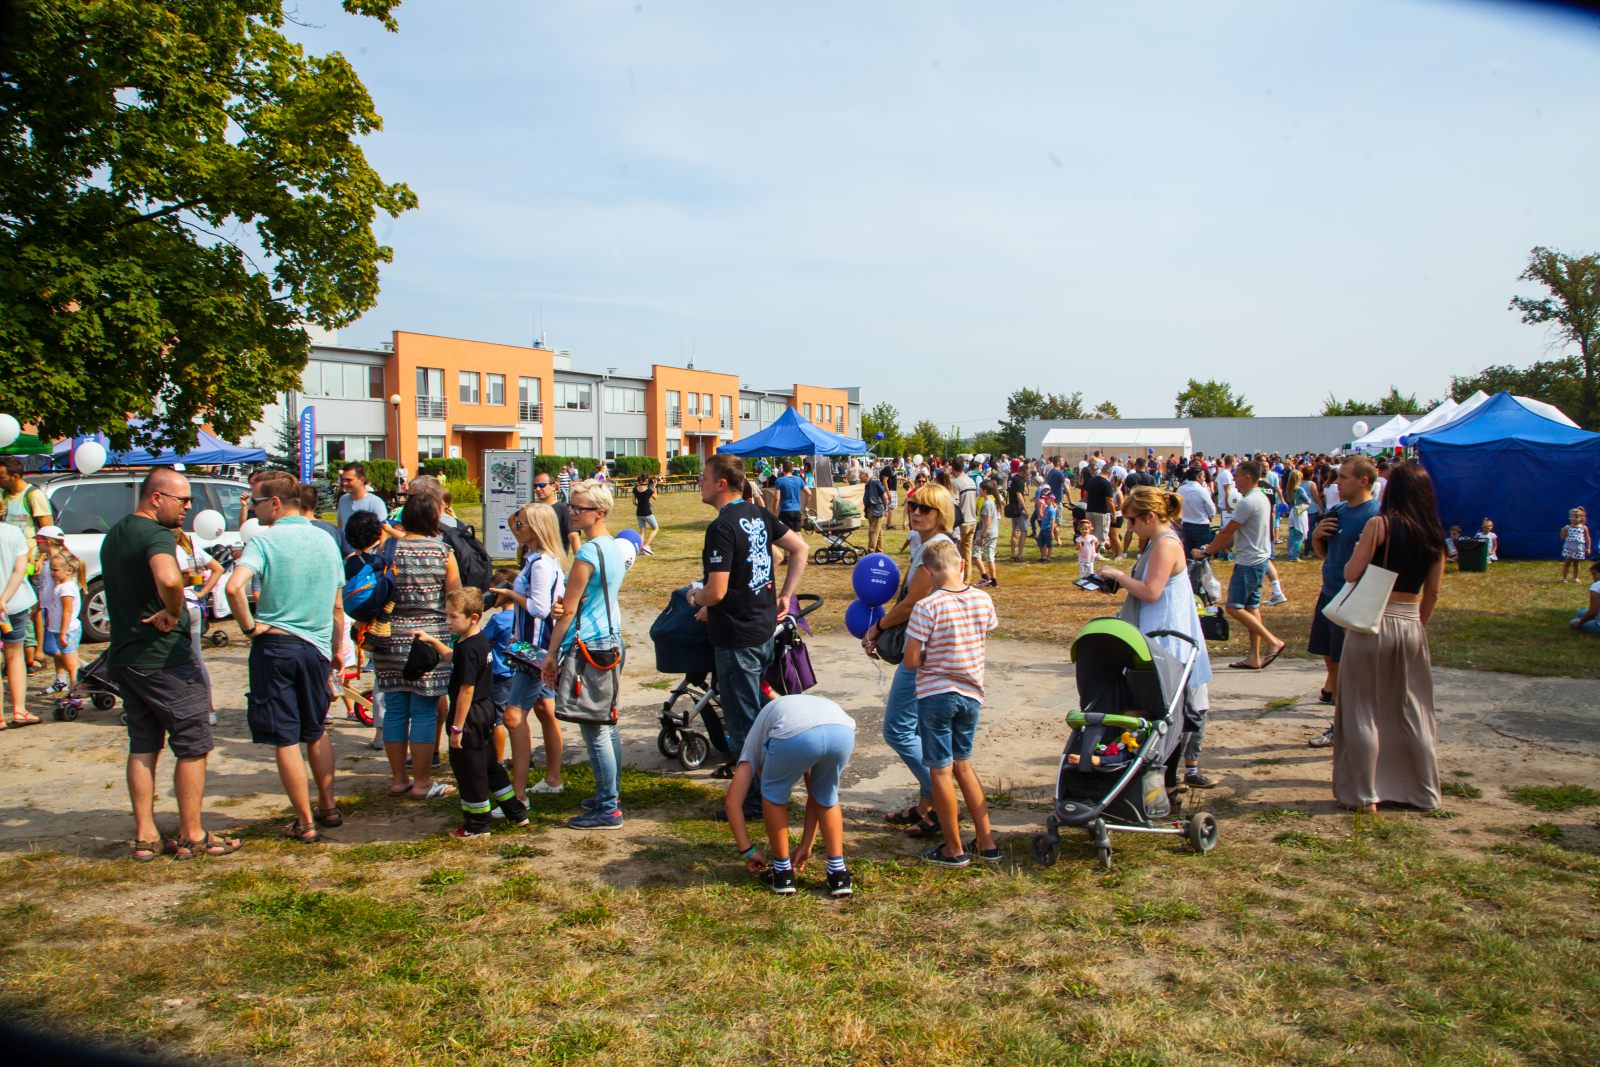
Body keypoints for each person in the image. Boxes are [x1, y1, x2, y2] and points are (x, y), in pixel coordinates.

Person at [101, 469, 239, 860]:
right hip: (163, 658)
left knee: (143, 745)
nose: (189, 508)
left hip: (127, 656)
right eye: (183, 500)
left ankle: (145, 835)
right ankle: (193, 832)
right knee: (193, 744)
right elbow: (170, 579)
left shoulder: (117, 533)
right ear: (157, 498)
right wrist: (172, 609)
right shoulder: (155, 534)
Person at [226, 472, 347, 844]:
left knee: (285, 738)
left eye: (257, 502)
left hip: (276, 646)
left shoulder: (265, 540)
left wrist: (248, 627)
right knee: (315, 730)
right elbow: (337, 607)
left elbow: (234, 587)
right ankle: (328, 806)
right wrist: (336, 651)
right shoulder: (326, 540)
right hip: (316, 647)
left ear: (275, 503)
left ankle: (304, 820)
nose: (254, 509)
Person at [689, 454, 809, 787]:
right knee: (759, 713)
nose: (700, 482)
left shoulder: (722, 527)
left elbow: (716, 591)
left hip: (737, 637)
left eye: (704, 477)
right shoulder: (758, 514)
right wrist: (785, 595)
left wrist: (694, 597)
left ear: (721, 484)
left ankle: (755, 799)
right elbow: (800, 549)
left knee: (744, 725)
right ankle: (769, 781)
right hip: (762, 629)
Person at [1333, 460, 1446, 813]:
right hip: (1411, 622)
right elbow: (1434, 593)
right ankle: (1422, 791)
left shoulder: (1379, 525)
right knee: (1412, 709)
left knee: (1362, 708)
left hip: (1373, 620)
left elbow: (1351, 573)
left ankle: (1365, 794)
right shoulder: (1434, 535)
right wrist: (1418, 624)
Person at [1096, 487, 1217, 788]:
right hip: (1157, 633)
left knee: (1168, 712)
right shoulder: (1155, 542)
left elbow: (1151, 592)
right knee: (1157, 709)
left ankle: (1168, 781)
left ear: (1150, 517)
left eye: (1133, 521)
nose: (1131, 528)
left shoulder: (1165, 545)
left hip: (1169, 638)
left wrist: (1119, 576)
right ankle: (1156, 777)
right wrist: (1116, 583)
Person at [862, 482, 959, 838]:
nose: (915, 512)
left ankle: (941, 797)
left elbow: (914, 601)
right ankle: (926, 807)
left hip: (922, 652)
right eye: (912, 506)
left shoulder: (935, 548)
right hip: (933, 648)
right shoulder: (933, 544)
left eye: (924, 508)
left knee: (898, 729)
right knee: (921, 729)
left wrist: (878, 628)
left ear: (940, 513)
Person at [903, 537, 1000, 867]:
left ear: (928, 573)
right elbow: (983, 635)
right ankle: (987, 841)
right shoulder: (983, 600)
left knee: (941, 772)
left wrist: (930, 655)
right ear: (961, 564)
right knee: (965, 765)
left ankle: (953, 849)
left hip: (935, 697)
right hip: (971, 695)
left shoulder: (926, 607)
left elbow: (911, 660)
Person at [541, 480, 629, 830]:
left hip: (590, 645)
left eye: (578, 508)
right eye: (571, 505)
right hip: (611, 640)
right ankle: (611, 794)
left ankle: (609, 808)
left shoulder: (588, 554)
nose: (571, 512)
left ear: (600, 513)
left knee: (595, 730)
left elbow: (568, 610)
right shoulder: (615, 547)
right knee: (607, 724)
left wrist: (550, 654)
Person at [415, 587, 529, 837]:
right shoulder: (476, 641)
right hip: (485, 711)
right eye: (446, 615)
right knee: (489, 764)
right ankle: (515, 811)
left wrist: (456, 728)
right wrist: (432, 641)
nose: (447, 621)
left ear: (474, 617)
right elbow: (453, 658)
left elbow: (466, 690)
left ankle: (477, 825)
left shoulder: (468, 649)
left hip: (469, 716)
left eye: (453, 616)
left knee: (469, 770)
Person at [372, 490, 460, 801]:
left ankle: (398, 778)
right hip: (429, 639)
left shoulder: (389, 548)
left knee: (395, 708)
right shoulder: (442, 553)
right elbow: (455, 597)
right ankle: (422, 781)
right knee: (423, 709)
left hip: (389, 634)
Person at [723, 693, 857, 896]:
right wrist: (806, 845)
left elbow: (732, 803)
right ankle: (838, 874)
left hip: (795, 732)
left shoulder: (753, 745)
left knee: (773, 796)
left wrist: (747, 851)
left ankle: (782, 872)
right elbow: (815, 796)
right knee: (827, 797)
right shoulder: (774, 726)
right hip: (841, 730)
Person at [1305, 457, 1381, 746]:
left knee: (1348, 665)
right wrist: (1316, 538)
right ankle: (1339, 707)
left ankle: (1344, 725)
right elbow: (1327, 554)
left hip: (1352, 600)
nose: (1337, 482)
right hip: (1329, 594)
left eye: (1345, 478)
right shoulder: (1337, 511)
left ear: (1363, 481)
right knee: (1329, 656)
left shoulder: (1375, 515)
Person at [502, 501, 568, 802]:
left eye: (522, 524)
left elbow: (540, 609)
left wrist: (510, 595)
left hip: (534, 650)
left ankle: (517, 795)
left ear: (536, 529)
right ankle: (552, 778)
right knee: (545, 711)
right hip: (537, 648)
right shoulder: (538, 559)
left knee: (513, 717)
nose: (516, 528)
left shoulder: (541, 564)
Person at [1193, 461, 1284, 671]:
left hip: (1248, 562)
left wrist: (1207, 551)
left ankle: (1273, 641)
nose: (1234, 479)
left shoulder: (1247, 502)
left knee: (1234, 607)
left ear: (1248, 477)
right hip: (1259, 559)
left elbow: (1227, 531)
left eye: (1238, 476)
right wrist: (1219, 546)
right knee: (1252, 608)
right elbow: (1237, 533)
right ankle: (1254, 656)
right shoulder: (1261, 497)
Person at [2, 456, 53, 673]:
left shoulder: (33, 495)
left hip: (30, 560)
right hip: (9, 561)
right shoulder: (4, 495)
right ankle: (17, 656)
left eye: (2, 476)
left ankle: (37, 652)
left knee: (33, 609)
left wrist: (42, 558)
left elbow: (47, 529)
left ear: (15, 476)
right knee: (11, 609)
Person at [0, 519, 40, 725]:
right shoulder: (13, 532)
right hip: (15, 603)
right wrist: (4, 599)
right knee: (15, 655)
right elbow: (20, 569)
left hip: (8, 605)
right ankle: (19, 710)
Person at [42, 551, 84, 691]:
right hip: (60, 629)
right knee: (66, 660)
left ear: (69, 570)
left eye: (55, 570)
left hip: (68, 631)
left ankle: (75, 691)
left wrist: (62, 633)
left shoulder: (66, 588)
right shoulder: (61, 586)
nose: (51, 573)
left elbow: (67, 611)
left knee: (71, 665)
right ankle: (71, 684)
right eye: (50, 569)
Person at [531, 470, 580, 558]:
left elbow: (574, 536)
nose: (537, 489)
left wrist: (580, 563)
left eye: (542, 485)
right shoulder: (533, 509)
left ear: (553, 486)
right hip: (533, 561)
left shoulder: (563, 508)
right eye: (535, 486)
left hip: (555, 562)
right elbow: (512, 519)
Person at [1177, 467, 1217, 556]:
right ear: (1197, 477)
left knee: (1188, 553)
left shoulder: (1181, 489)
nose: (1204, 478)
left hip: (1186, 524)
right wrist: (1210, 515)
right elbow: (1211, 509)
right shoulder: (1202, 490)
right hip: (1201, 526)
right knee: (1201, 555)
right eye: (1203, 476)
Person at [950, 457, 979, 579]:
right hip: (973, 520)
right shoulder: (971, 481)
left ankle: (955, 579)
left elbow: (955, 503)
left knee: (954, 553)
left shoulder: (955, 483)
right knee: (967, 553)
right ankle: (967, 579)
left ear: (952, 468)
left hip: (961, 522)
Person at [336, 462, 388, 528]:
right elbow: (340, 527)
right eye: (343, 480)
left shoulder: (376, 502)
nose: (344, 483)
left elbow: (383, 534)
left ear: (361, 480)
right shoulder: (343, 500)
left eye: (349, 480)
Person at [1082, 462, 1115, 560]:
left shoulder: (1091, 481)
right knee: (1101, 534)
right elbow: (1109, 500)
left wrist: (1090, 503)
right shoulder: (1106, 483)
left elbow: (1086, 495)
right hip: (1102, 512)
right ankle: (1096, 554)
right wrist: (1113, 512)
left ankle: (1090, 553)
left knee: (1091, 533)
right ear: (1109, 473)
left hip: (1090, 510)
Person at [974, 479, 1000, 588]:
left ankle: (988, 578)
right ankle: (990, 579)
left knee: (976, 554)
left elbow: (987, 521)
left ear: (984, 490)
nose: (978, 490)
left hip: (987, 534)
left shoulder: (987, 503)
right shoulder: (990, 501)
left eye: (979, 489)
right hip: (993, 533)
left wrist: (982, 536)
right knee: (988, 556)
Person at [774, 461, 806, 535]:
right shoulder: (799, 479)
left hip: (785, 511)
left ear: (783, 469)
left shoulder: (779, 481)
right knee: (798, 534)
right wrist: (805, 506)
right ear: (792, 469)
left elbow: (777, 498)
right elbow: (809, 493)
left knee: (787, 535)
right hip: (797, 511)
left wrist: (774, 512)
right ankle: (803, 546)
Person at [1560, 507, 1591, 582]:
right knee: (1567, 563)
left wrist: (1588, 548)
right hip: (1569, 548)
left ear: (1581, 518)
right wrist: (1563, 530)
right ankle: (1564, 578)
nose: (1574, 518)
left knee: (1576, 564)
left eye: (1576, 516)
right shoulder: (1568, 528)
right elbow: (1562, 537)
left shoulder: (1584, 528)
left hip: (1578, 549)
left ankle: (1575, 578)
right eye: (1572, 516)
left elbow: (1587, 538)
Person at [1005, 461, 1028, 562]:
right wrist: (1025, 509)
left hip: (1012, 508)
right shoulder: (1019, 481)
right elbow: (1019, 495)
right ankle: (1020, 555)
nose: (1028, 475)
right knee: (1024, 531)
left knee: (1014, 532)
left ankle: (1012, 554)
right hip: (1018, 509)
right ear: (1022, 471)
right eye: (1027, 473)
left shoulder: (1012, 479)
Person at [863, 465, 888, 554]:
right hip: (872, 510)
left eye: (860, 474)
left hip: (876, 511)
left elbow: (884, 497)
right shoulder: (868, 484)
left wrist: (886, 509)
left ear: (866, 475)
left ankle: (871, 550)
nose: (859, 476)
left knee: (873, 531)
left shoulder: (875, 482)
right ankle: (879, 550)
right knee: (878, 531)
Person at [1571, 561, 1600, 634]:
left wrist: (1580, 622)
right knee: (1580, 612)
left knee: (1574, 621)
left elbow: (1593, 611)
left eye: (1594, 574)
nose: (1593, 578)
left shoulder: (1596, 586)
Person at [633, 475, 659, 555]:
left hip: (639, 512)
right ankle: (646, 546)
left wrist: (639, 505)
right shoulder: (648, 490)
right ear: (646, 480)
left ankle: (641, 549)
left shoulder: (635, 489)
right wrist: (654, 487)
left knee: (642, 532)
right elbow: (655, 497)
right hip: (647, 512)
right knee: (655, 529)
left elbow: (633, 501)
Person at [1035, 491, 1059, 562]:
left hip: (1048, 529)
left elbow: (1052, 521)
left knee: (1049, 544)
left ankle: (1048, 558)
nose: (1045, 500)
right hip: (1043, 528)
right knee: (1040, 542)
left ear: (1051, 500)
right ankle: (1043, 557)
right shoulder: (1046, 508)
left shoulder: (1051, 510)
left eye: (1046, 499)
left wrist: (1051, 532)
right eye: (1044, 499)